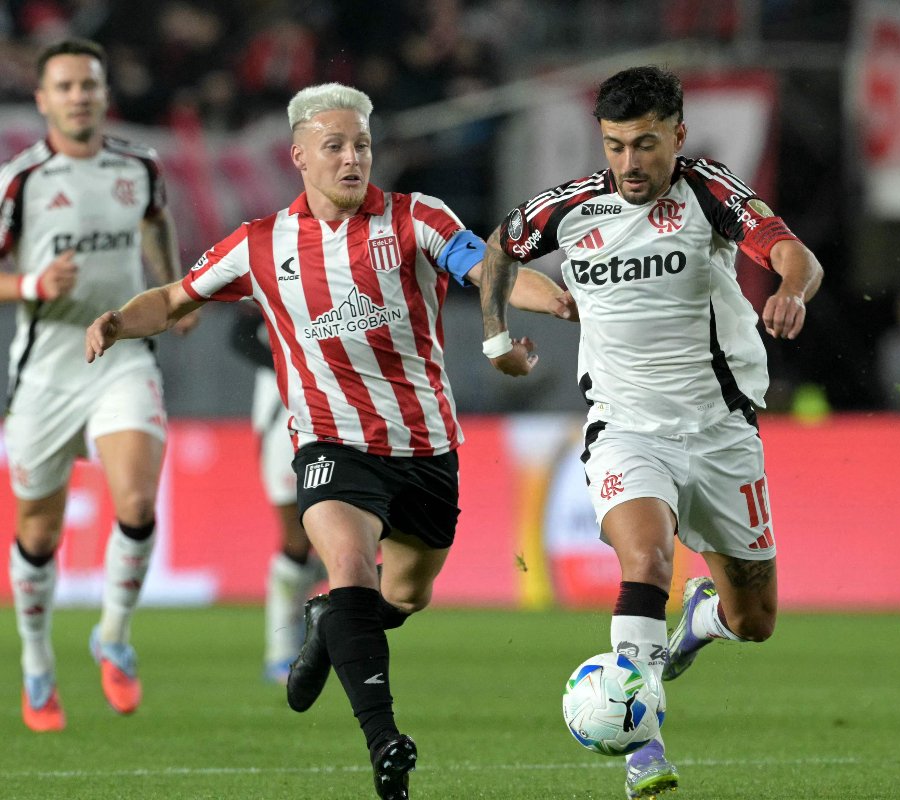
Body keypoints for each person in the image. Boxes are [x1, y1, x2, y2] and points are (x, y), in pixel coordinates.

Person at [84, 82, 574, 800]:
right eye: (336, 146)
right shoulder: (259, 244)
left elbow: (486, 268)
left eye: (362, 145)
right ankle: (385, 744)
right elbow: (176, 296)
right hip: (329, 444)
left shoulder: (416, 220)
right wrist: (120, 320)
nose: (353, 158)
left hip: (425, 447)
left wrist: (551, 296)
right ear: (300, 158)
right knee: (348, 563)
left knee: (404, 596)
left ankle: (325, 627)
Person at [478, 65, 822, 799]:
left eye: (645, 145)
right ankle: (645, 750)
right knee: (646, 561)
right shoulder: (570, 209)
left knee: (754, 618)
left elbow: (793, 253)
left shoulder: (708, 191)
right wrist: (495, 337)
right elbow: (498, 250)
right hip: (626, 429)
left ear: (678, 135)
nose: (630, 164)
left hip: (721, 428)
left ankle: (698, 625)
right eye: (615, 146)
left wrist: (790, 291)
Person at [1, 37, 194, 733]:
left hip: (120, 353)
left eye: (90, 84)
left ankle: (113, 636)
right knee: (38, 531)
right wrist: (29, 283)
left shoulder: (139, 167)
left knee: (138, 499)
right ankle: (36, 663)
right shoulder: (20, 181)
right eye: (66, 86)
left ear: (105, 94)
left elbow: (158, 222)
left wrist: (174, 295)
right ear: (43, 99)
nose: (79, 95)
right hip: (46, 371)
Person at [228, 310, 325, 684]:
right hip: (282, 417)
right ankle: (282, 650)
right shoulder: (273, 265)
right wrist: (292, 360)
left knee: (352, 534)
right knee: (296, 539)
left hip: (343, 410)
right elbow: (238, 334)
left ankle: (331, 628)